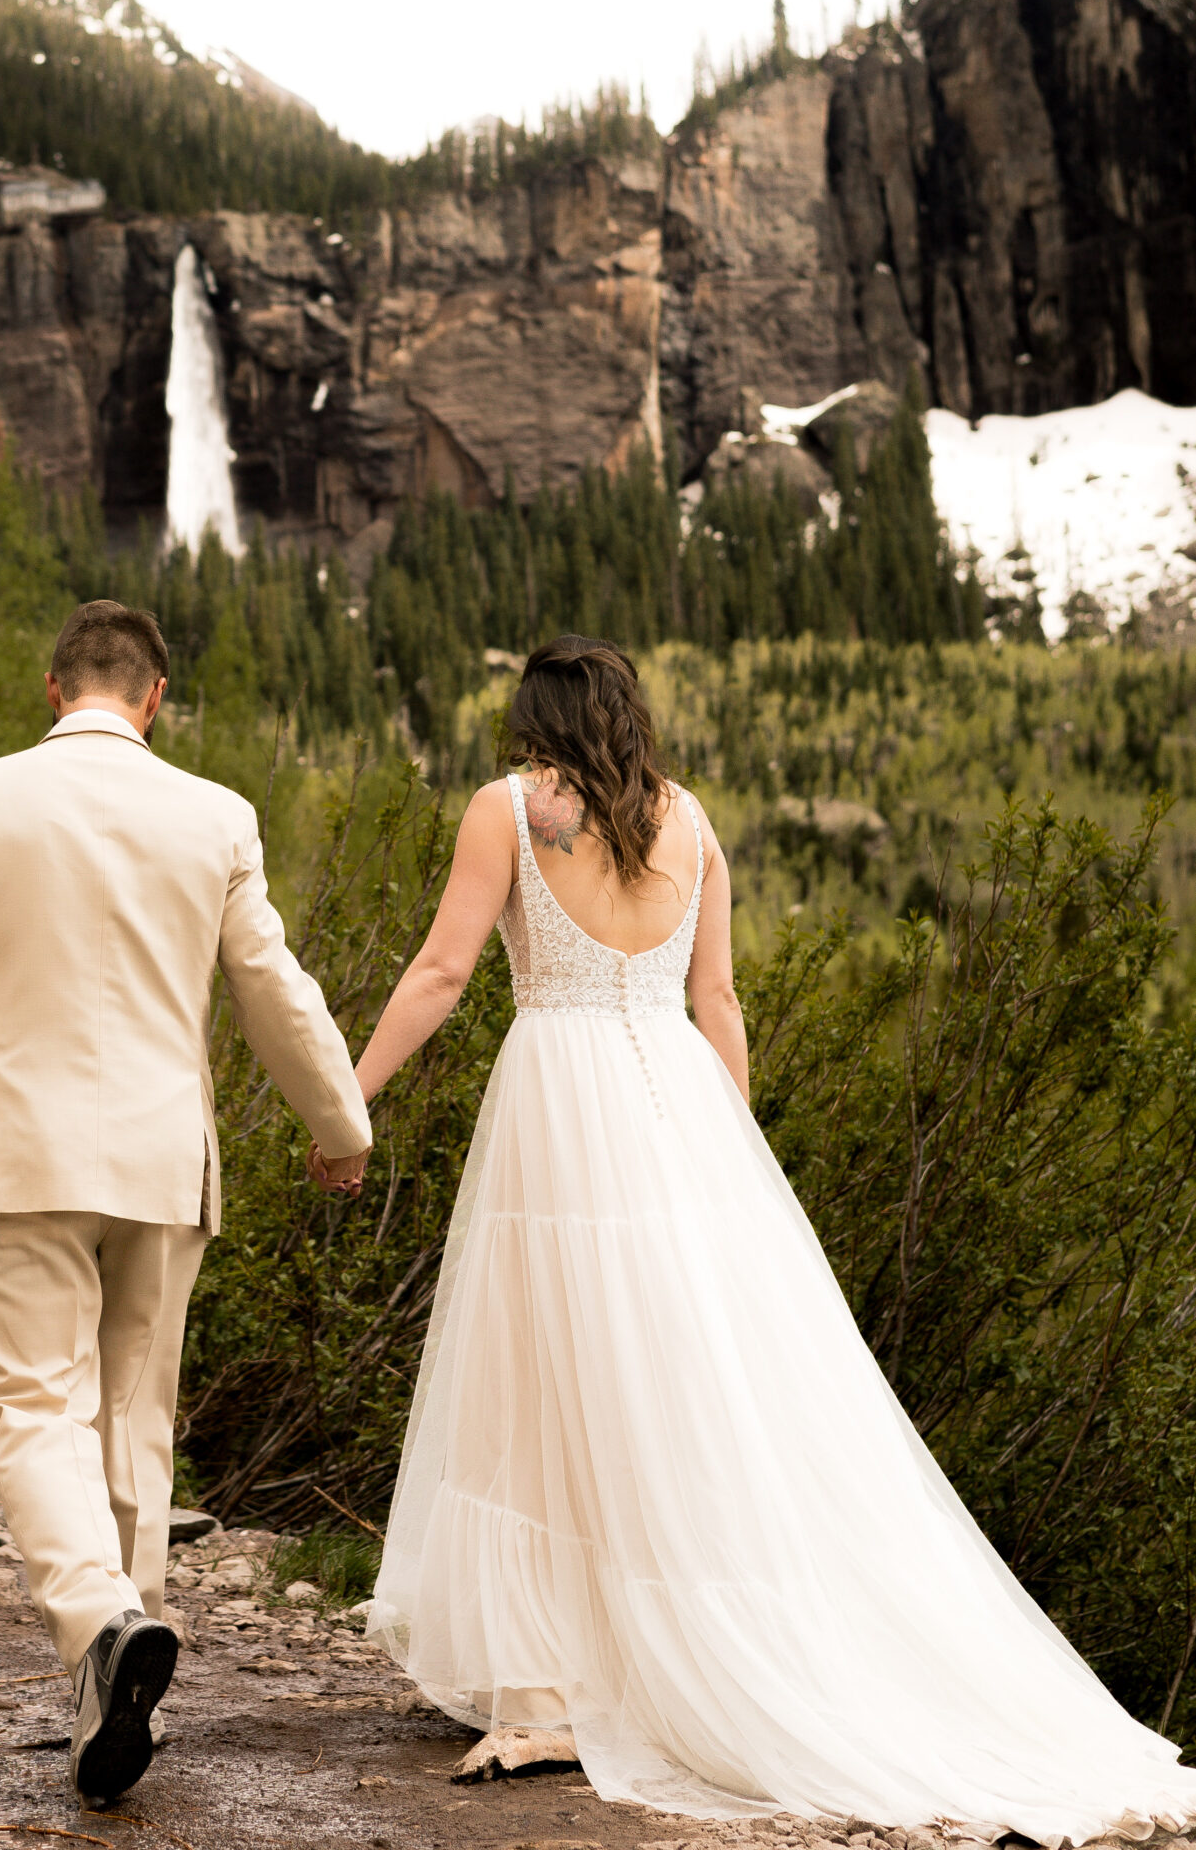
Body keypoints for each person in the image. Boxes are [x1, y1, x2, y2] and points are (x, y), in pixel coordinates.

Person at [347, 631, 1196, 1840]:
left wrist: (349, 1096)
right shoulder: (688, 821)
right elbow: (719, 1001)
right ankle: (613, 1668)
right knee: (679, 1385)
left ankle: (544, 1691)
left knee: (536, 1377)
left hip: (559, 1103)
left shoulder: (507, 808)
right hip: (680, 1112)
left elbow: (440, 970)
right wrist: (729, 1156)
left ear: (536, 719)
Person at [0, 599, 371, 1810]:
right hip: (161, 1162)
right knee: (132, 1426)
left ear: (51, 690)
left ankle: (99, 1621)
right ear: (154, 694)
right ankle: (112, 1702)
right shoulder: (218, 814)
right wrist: (336, 1122)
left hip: (16, 1154)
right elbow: (271, 987)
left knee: (30, 1407)